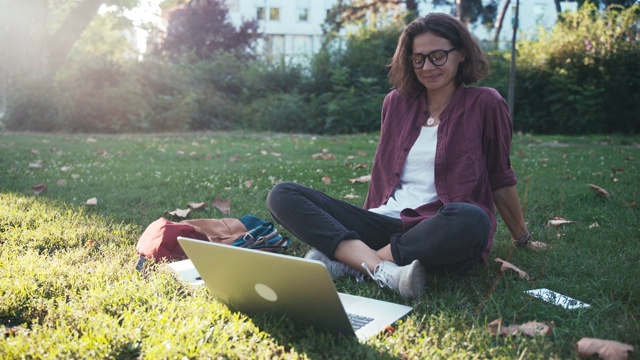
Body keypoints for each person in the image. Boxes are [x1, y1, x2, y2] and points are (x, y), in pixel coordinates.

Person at [266, 13, 530, 299]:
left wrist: (522, 238)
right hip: (384, 222)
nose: (427, 67)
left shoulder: (485, 103)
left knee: (472, 218)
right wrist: (362, 219)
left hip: (438, 229)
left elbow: (500, 177)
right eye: (418, 59)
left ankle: (354, 263)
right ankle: (381, 268)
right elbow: (383, 174)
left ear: (462, 54)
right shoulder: (396, 103)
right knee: (282, 195)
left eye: (438, 56)